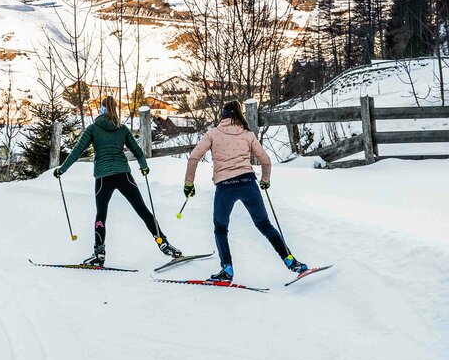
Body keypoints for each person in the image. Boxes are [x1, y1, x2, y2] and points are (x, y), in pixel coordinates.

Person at [184, 100, 308, 282]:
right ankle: (291, 262)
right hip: (248, 184)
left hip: (225, 187)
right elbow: (265, 160)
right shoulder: (247, 133)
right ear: (238, 115)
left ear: (223, 116)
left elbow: (194, 157)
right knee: (265, 225)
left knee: (220, 229)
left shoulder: (212, 133)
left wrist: (189, 184)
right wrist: (265, 180)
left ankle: (227, 269)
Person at [54, 95, 181, 267]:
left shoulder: (93, 128)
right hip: (123, 175)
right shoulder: (122, 129)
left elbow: (77, 151)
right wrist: (143, 166)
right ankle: (163, 243)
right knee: (142, 210)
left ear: (102, 110)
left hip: (103, 176)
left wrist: (62, 169)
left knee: (101, 215)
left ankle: (99, 253)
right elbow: (137, 150)